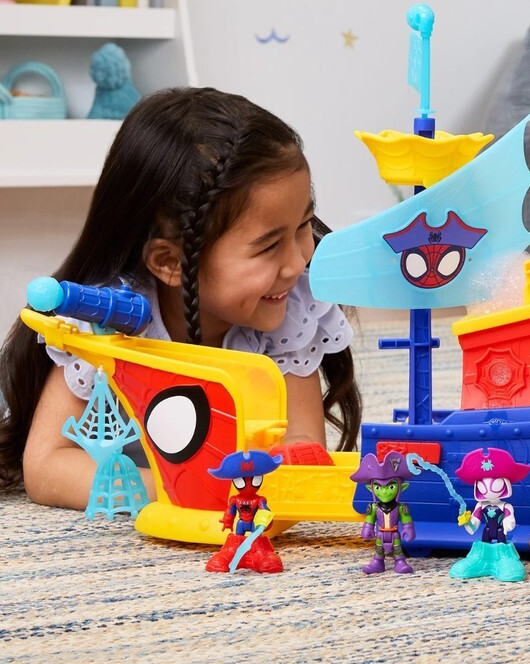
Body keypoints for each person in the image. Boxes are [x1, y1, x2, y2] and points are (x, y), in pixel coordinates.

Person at [0, 87, 362, 510]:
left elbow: (302, 446)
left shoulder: (290, 310)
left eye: (303, 225)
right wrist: (187, 492)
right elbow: (46, 467)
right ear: (171, 262)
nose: (299, 262)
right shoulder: (106, 320)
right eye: (268, 247)